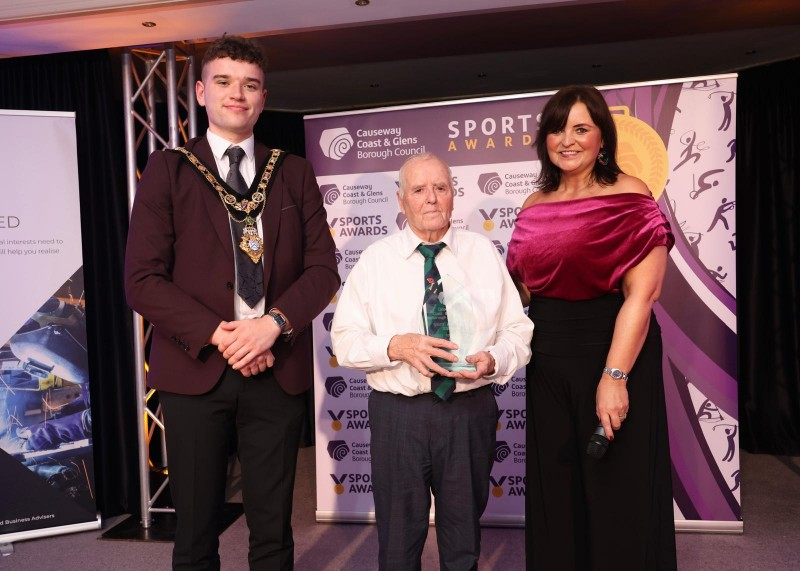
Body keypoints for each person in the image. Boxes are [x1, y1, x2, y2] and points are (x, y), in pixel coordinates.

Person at [125, 35, 340, 570]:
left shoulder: (292, 172)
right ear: (200, 92)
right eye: (223, 82)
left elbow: (322, 270)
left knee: (273, 532)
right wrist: (225, 335)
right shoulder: (168, 170)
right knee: (196, 534)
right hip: (197, 371)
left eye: (249, 85)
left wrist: (271, 326)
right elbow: (143, 280)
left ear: (264, 97)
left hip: (275, 368)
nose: (236, 95)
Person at [331, 152, 533, 571]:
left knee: (463, 543)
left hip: (468, 413)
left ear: (454, 196)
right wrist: (396, 346)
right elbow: (345, 340)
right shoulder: (375, 261)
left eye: (440, 188)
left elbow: (518, 332)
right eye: (419, 190)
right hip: (397, 416)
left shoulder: (483, 254)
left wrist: (494, 359)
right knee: (399, 546)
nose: (431, 199)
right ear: (401, 200)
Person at [506, 85, 677, 570]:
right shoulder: (533, 204)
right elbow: (523, 290)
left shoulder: (630, 194)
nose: (567, 139)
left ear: (602, 137)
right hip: (548, 360)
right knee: (556, 492)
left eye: (581, 128)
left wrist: (615, 376)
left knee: (616, 491)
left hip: (614, 347)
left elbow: (642, 296)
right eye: (557, 129)